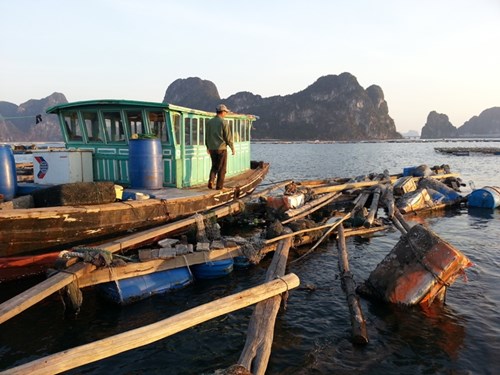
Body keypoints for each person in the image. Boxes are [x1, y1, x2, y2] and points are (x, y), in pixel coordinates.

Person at [205, 104, 235, 190]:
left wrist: (207, 146)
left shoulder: (209, 122)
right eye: (226, 112)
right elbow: (228, 137)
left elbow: (207, 136)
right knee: (222, 169)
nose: (226, 113)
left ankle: (211, 180)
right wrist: (232, 148)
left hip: (212, 149)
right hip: (221, 149)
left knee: (214, 166)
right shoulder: (224, 122)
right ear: (222, 112)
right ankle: (219, 186)